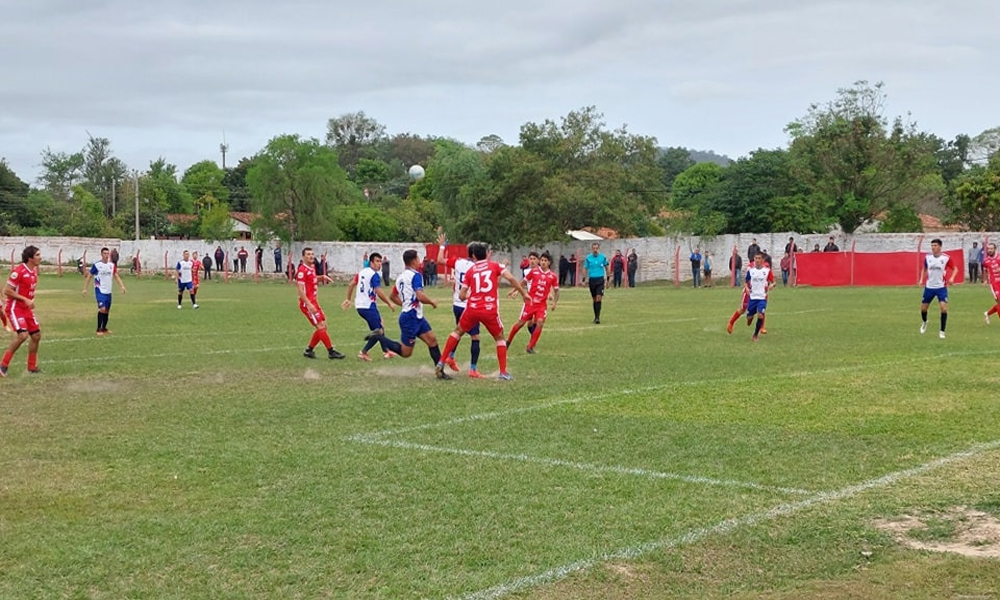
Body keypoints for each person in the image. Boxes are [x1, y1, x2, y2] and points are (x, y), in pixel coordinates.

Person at [435, 242, 530, 381]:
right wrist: (523, 293)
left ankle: (441, 362)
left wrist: (472, 297)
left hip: (472, 308)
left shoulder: (471, 271)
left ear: (473, 256)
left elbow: (461, 296)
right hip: (489, 309)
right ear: (486, 254)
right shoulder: (495, 266)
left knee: (457, 332)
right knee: (499, 338)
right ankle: (503, 372)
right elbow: (510, 278)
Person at [388, 249, 445, 371]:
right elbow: (420, 296)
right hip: (410, 318)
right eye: (418, 258)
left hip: (415, 316)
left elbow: (392, 296)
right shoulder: (416, 275)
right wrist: (431, 302)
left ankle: (440, 371)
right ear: (414, 261)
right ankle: (379, 338)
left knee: (432, 340)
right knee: (406, 353)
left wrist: (405, 304)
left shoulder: (401, 277)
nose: (419, 261)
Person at [436, 234, 484, 378]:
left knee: (458, 332)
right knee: (475, 336)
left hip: (456, 304)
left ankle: (450, 356)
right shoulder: (479, 267)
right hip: (469, 305)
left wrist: (442, 246)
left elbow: (439, 260)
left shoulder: (458, 262)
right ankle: (473, 370)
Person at [342, 252, 398, 361]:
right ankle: (363, 352)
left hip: (360, 306)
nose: (379, 264)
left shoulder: (362, 272)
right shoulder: (374, 275)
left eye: (380, 261)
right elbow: (378, 291)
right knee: (378, 331)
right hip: (368, 306)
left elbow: (351, 284)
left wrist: (348, 299)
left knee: (380, 324)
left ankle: (387, 351)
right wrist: (389, 303)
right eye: (377, 261)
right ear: (371, 262)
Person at [1, 245, 43, 376]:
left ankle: (31, 367)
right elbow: (7, 291)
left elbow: (28, 290)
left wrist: (30, 301)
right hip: (15, 308)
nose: (40, 257)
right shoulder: (18, 271)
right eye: (37, 255)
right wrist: (24, 299)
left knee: (36, 336)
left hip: (26, 309)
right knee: (23, 335)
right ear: (30, 258)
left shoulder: (34, 271)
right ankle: (3, 365)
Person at [297, 247, 345, 359]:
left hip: (314, 302)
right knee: (321, 326)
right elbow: (300, 289)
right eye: (308, 254)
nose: (311, 256)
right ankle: (331, 352)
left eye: (312, 254)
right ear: (303, 257)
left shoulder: (312, 267)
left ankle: (309, 350)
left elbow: (312, 279)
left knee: (323, 326)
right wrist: (308, 304)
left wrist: (322, 277)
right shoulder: (302, 270)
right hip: (307, 304)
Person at [507, 252, 559, 353]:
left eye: (545, 261)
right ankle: (508, 341)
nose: (543, 262)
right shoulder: (534, 272)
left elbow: (556, 290)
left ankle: (530, 347)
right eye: (542, 260)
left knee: (540, 322)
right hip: (530, 303)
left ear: (549, 263)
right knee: (520, 323)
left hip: (541, 305)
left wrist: (555, 303)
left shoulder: (552, 276)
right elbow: (523, 282)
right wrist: (514, 290)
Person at [81, 247, 127, 337]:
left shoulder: (111, 265)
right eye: (104, 253)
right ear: (101, 254)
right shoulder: (97, 265)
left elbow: (116, 276)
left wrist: (122, 286)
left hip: (108, 291)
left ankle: (104, 328)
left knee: (107, 310)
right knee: (102, 309)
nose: (106, 255)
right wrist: (85, 288)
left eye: (107, 253)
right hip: (100, 290)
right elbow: (89, 276)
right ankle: (98, 329)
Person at [919, 238, 958, 339]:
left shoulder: (946, 258)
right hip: (929, 287)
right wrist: (921, 279)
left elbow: (955, 268)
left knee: (944, 309)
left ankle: (942, 331)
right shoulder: (928, 257)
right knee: (923, 309)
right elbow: (924, 268)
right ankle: (925, 321)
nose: (933, 247)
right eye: (932, 245)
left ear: (940, 247)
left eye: (935, 246)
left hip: (941, 287)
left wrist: (952, 278)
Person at [744, 252, 775, 342]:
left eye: (759, 258)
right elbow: (746, 281)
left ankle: (755, 335)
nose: (757, 260)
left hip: (762, 297)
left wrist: (772, 285)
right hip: (753, 297)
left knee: (760, 315)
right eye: (756, 258)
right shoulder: (751, 271)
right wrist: (746, 288)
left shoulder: (767, 271)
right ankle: (749, 317)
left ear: (762, 260)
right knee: (749, 318)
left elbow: (773, 281)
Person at [584, 242, 610, 323]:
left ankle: (598, 317)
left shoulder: (603, 258)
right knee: (594, 299)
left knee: (599, 298)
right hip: (592, 280)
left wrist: (608, 280)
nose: (595, 250)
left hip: (600, 280)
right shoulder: (588, 258)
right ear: (592, 249)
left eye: (596, 248)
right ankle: (595, 317)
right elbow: (585, 268)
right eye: (594, 248)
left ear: (599, 249)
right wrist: (584, 280)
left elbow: (607, 268)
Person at [982, 243, 1000, 324]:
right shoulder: (986, 260)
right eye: (988, 249)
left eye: (991, 248)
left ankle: (987, 313)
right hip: (994, 283)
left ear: (995, 249)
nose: (989, 250)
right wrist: (985, 280)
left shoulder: (999, 257)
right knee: (999, 302)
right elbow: (985, 270)